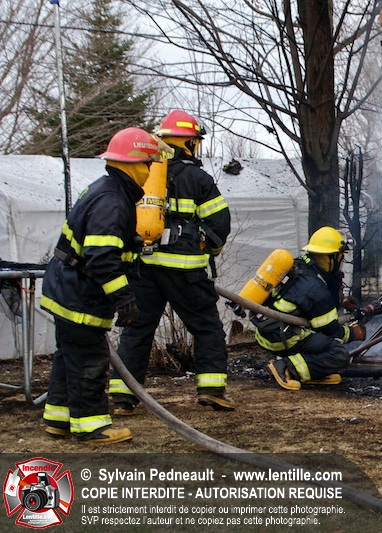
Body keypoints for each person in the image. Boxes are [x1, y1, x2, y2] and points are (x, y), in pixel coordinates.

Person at [41, 127, 168, 444]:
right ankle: (91, 426)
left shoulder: (107, 190)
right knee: (89, 358)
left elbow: (102, 245)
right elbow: (101, 258)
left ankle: (59, 418)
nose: (150, 171)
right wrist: (124, 298)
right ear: (134, 164)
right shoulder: (112, 200)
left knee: (69, 356)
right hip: (80, 294)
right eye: (148, 163)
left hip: (67, 288)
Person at [109, 110, 234, 413]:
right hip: (184, 271)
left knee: (137, 330)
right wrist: (210, 252)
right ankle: (212, 390)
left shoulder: (143, 174)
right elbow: (219, 224)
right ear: (189, 143)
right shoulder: (198, 179)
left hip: (143, 267)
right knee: (206, 327)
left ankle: (124, 396)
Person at [251, 226, 366, 390]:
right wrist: (355, 333)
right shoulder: (315, 288)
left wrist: (341, 301)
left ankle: (311, 373)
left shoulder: (301, 267)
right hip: (281, 337)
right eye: (341, 257)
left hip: (268, 330)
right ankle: (285, 367)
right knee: (338, 354)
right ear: (330, 257)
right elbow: (330, 330)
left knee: (322, 341)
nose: (341, 263)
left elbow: (305, 303)